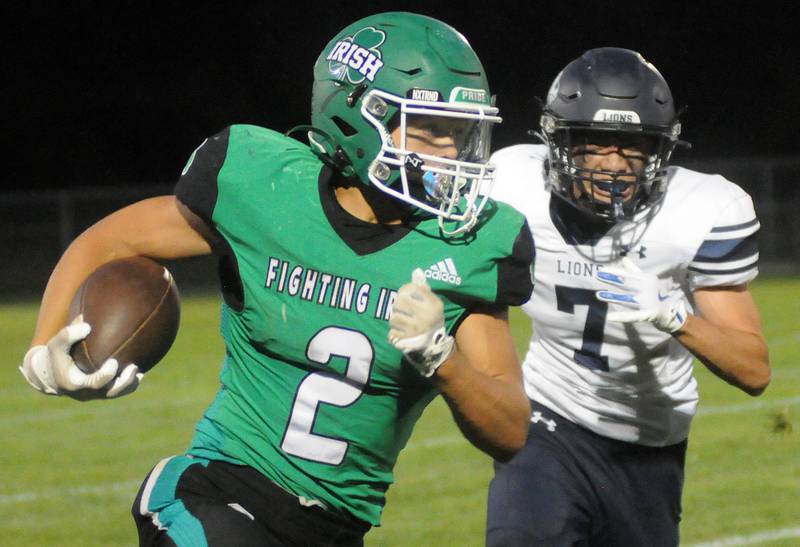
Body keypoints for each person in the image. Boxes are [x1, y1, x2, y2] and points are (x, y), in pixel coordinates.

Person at [19, 12, 535, 546]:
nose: (450, 152)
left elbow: (512, 431)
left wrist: (442, 360)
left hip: (334, 532)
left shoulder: (465, 246)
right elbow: (110, 240)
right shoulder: (268, 189)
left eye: (460, 131)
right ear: (358, 118)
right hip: (217, 494)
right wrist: (42, 350)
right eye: (430, 129)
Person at [485, 47, 771, 546]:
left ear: (659, 150)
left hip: (649, 443)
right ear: (558, 140)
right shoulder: (511, 182)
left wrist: (675, 314)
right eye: (594, 142)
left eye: (631, 144)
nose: (612, 164)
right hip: (547, 418)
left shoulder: (701, 210)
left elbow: (753, 369)